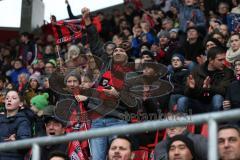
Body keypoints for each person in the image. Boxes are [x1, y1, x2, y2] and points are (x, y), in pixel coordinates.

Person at [177, 47, 234, 114]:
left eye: (224, 59)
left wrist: (210, 88)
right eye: (220, 60)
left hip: (215, 104)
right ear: (210, 60)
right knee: (182, 100)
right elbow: (186, 93)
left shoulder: (228, 72)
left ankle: (215, 123)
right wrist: (192, 88)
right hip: (198, 104)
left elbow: (224, 91)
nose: (223, 62)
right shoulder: (197, 70)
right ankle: (182, 124)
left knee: (217, 98)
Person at [0, 89, 32, 160]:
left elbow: (25, 145)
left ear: (20, 103)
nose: (9, 100)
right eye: (7, 98)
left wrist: (16, 141)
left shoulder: (23, 121)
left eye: (13, 98)